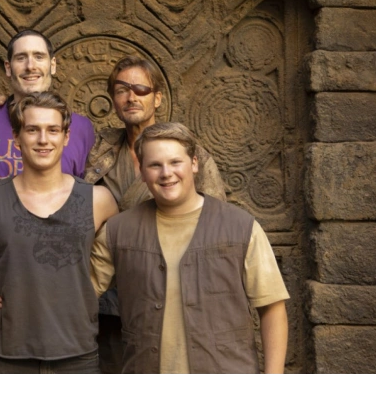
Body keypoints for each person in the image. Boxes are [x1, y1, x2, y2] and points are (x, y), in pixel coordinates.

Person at [90, 122, 289, 374]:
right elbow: (79, 297)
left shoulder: (241, 227)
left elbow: (272, 308)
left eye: (175, 162)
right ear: (142, 171)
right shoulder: (118, 232)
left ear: (194, 164)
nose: (166, 173)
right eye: (155, 165)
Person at [83, 55, 228, 374]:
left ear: (158, 98)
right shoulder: (98, 148)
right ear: (113, 100)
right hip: (108, 301)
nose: (131, 97)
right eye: (121, 90)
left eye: (140, 89)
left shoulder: (189, 154)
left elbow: (216, 227)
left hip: (171, 299)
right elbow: (47, 135)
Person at [0, 91, 118, 375]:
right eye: (32, 130)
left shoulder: (99, 201)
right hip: (7, 358)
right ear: (16, 137)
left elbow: (118, 265)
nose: (43, 139)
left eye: (52, 130)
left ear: (66, 137)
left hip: (78, 356)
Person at [0, 29, 95, 185]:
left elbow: (87, 191)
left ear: (52, 65)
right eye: (21, 58)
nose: (30, 66)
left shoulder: (81, 128)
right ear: (8, 67)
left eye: (39, 57)